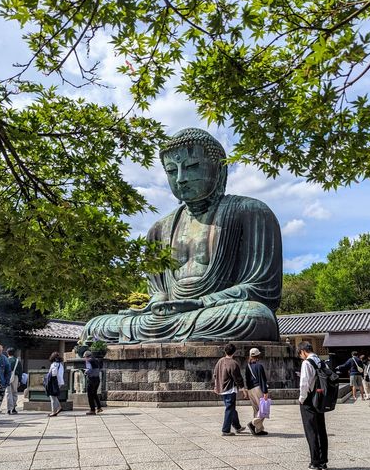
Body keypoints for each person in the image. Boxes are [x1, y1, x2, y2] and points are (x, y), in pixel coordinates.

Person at [80, 128, 282, 344]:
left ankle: (168, 334)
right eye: (171, 171)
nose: (181, 178)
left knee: (255, 316)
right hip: (170, 318)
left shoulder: (251, 212)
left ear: (219, 169)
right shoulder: (159, 230)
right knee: (95, 326)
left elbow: (263, 290)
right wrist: (157, 302)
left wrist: (201, 303)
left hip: (218, 312)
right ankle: (167, 334)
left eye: (192, 166)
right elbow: (158, 292)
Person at [298, 341, 328, 470]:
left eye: (300, 354)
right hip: (320, 397)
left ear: (303, 351)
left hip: (309, 398)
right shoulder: (320, 361)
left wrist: (302, 398)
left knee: (311, 429)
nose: (301, 356)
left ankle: (315, 462)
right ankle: (323, 460)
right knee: (321, 428)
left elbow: (304, 382)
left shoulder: (306, 363)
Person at [213, 343, 246, 436]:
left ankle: (237, 426)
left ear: (225, 351)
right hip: (230, 388)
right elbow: (238, 378)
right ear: (234, 352)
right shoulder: (233, 363)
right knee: (229, 408)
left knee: (231, 408)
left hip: (222, 388)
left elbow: (215, 375)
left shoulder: (220, 361)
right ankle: (225, 430)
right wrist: (243, 389)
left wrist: (216, 386)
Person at [245, 347, 269, 436]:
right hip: (258, 388)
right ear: (258, 355)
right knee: (263, 410)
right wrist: (265, 392)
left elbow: (247, 379)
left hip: (250, 389)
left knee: (256, 410)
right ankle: (253, 423)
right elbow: (262, 380)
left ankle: (258, 429)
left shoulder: (248, 366)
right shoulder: (259, 366)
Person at [83, 351, 103, 415]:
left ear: (86, 356)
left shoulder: (88, 361)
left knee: (90, 395)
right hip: (97, 379)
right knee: (94, 393)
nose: (84, 358)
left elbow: (89, 369)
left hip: (91, 379)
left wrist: (85, 372)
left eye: (84, 357)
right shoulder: (96, 360)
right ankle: (99, 407)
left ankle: (92, 410)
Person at [46, 351, 64, 417]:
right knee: (54, 396)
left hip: (54, 382)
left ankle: (53, 412)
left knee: (52, 397)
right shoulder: (60, 364)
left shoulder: (54, 364)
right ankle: (59, 407)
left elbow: (53, 373)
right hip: (60, 382)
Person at [5, 347, 22, 415]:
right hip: (15, 377)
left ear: (7, 353)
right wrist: (19, 380)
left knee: (8, 393)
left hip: (7, 377)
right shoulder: (17, 361)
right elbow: (20, 371)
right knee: (14, 392)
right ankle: (14, 408)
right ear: (14, 353)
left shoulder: (5, 360)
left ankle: (9, 409)